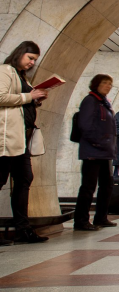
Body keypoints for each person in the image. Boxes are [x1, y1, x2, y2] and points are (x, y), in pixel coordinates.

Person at [0, 41, 49, 244]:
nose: (31, 63)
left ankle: (23, 229)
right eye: (30, 58)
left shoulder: (22, 76)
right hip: (7, 139)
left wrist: (35, 99)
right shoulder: (5, 71)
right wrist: (29, 96)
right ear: (19, 53)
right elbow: (1, 96)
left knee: (24, 180)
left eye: (34, 60)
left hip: (22, 139)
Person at [74, 74, 117, 231]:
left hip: (104, 152)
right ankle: (81, 220)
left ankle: (101, 217)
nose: (108, 86)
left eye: (110, 84)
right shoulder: (90, 101)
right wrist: (98, 141)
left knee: (107, 185)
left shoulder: (103, 103)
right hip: (92, 151)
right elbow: (84, 125)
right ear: (96, 84)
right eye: (105, 83)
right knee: (88, 186)